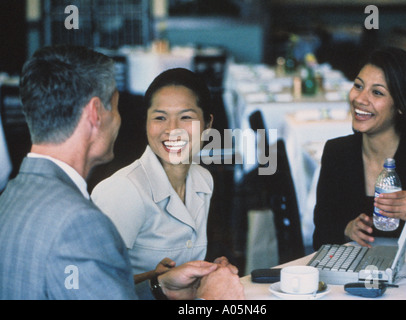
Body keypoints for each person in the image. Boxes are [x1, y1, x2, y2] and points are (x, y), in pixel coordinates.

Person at [0, 45, 244, 300]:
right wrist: (211, 301)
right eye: (116, 106)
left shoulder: (9, 197)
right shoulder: (79, 223)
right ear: (96, 114)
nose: (119, 120)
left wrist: (159, 286)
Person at [91, 68, 237, 299]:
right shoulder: (124, 191)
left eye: (186, 117)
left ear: (208, 123)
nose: (172, 129)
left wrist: (206, 271)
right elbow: (88, 287)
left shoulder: (203, 180)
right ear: (146, 123)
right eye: (160, 117)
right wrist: (157, 283)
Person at [313, 47, 406, 251]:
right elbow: (320, 236)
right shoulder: (337, 153)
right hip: (352, 279)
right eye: (358, 86)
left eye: (377, 92)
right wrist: (346, 229)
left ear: (401, 104)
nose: (360, 99)